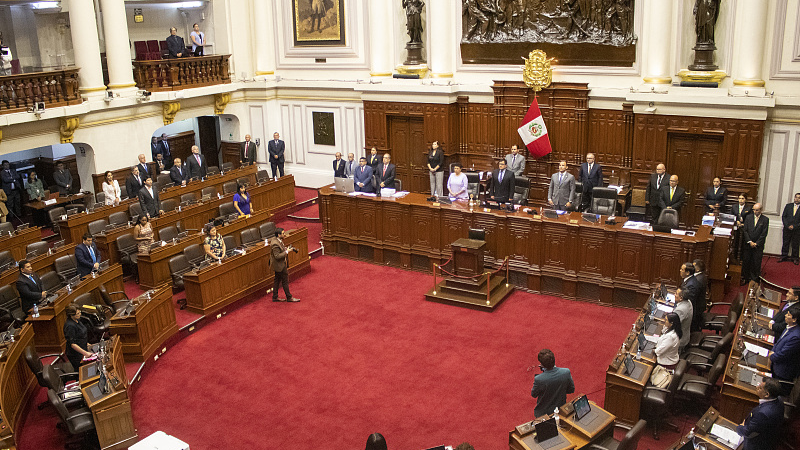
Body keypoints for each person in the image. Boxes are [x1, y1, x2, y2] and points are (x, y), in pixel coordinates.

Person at [735, 378, 784, 450]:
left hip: (756, 445)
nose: (756, 387)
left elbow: (748, 432)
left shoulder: (762, 414)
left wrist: (739, 427)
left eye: (760, 388)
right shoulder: (778, 399)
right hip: (770, 435)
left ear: (767, 394)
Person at [531, 348, 575, 417]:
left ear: (542, 365)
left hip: (544, 413)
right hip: (561, 408)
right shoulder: (566, 372)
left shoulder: (539, 379)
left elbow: (534, 394)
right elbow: (571, 389)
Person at [770, 303, 800, 389]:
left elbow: (784, 354)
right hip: (775, 362)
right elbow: (778, 342)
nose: (785, 316)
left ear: (794, 319)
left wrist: (772, 356)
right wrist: (772, 353)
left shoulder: (796, 336)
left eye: (788, 315)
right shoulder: (789, 327)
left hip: (781, 373)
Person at [741, 203, 768, 285]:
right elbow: (745, 230)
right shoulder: (748, 218)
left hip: (758, 246)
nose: (755, 211)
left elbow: (764, 233)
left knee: (756, 262)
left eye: (756, 210)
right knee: (746, 261)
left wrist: (756, 243)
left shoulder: (765, 219)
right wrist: (749, 241)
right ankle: (745, 278)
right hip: (748, 244)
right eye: (753, 210)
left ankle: (754, 279)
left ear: (761, 210)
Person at [270, 227, 299, 302]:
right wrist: (287, 251)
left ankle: (275, 297)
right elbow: (277, 256)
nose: (284, 234)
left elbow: (280, 250)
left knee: (277, 280)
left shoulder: (277, 240)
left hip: (279, 265)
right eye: (283, 233)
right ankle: (289, 297)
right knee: (285, 281)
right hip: (280, 265)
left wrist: (285, 249)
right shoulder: (275, 244)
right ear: (278, 235)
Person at [63, 305, 94, 371]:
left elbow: (80, 335)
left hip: (83, 348)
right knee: (82, 371)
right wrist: (85, 353)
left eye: (79, 312)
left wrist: (86, 343)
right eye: (77, 313)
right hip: (76, 354)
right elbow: (72, 344)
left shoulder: (77, 320)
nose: (80, 314)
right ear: (71, 315)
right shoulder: (70, 326)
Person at [679, 262, 704, 331]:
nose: (680, 271)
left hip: (690, 315)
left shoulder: (691, 285)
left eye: (682, 269)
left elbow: (689, 302)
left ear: (687, 273)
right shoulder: (689, 280)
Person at [780, 193, 800, 264]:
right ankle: (783, 256)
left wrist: (794, 226)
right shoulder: (788, 206)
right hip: (787, 228)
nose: (797, 199)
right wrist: (787, 225)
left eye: (799, 198)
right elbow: (784, 216)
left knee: (795, 244)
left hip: (797, 230)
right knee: (785, 242)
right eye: (796, 197)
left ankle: (795, 258)